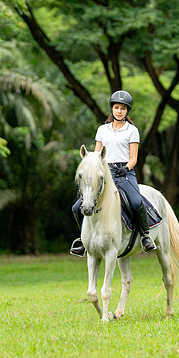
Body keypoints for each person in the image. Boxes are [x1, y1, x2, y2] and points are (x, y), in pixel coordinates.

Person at [70, 90, 157, 257]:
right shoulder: (102, 130)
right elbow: (96, 154)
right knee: (76, 207)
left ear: (127, 111)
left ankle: (145, 236)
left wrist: (126, 168)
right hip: (103, 173)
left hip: (124, 173)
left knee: (136, 201)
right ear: (112, 109)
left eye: (123, 108)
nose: (119, 111)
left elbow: (133, 157)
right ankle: (83, 240)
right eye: (116, 107)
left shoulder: (132, 131)